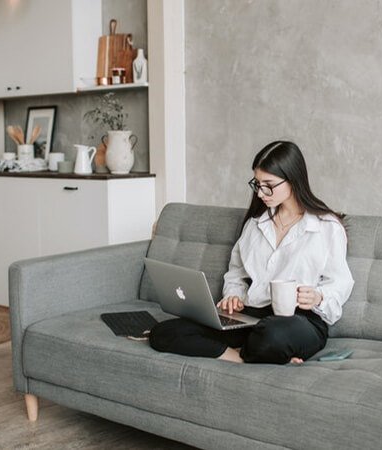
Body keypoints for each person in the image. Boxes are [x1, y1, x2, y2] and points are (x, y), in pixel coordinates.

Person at [149, 140, 354, 364]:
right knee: (164, 332)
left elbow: (340, 283)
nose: (261, 193)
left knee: (272, 336)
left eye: (269, 185)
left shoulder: (326, 227)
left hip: (299, 320)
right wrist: (233, 296)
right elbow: (236, 274)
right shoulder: (255, 224)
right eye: (257, 184)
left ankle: (258, 350)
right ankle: (239, 356)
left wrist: (318, 297)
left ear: (293, 179)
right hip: (252, 316)